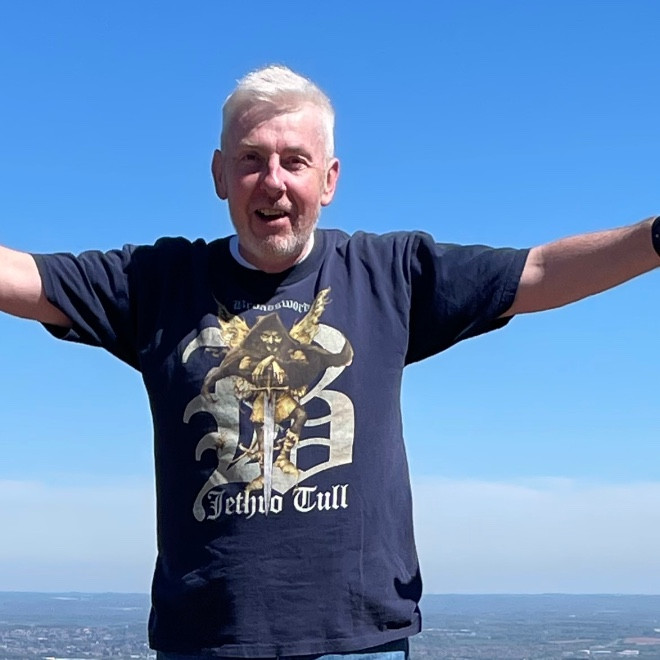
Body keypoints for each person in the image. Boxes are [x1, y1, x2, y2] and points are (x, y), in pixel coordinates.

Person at [0, 65, 658, 659]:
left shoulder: (389, 274)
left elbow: (537, 272)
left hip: (358, 640)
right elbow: (25, 279)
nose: (274, 181)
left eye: (295, 161)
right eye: (252, 159)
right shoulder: (159, 282)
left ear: (329, 179)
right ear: (220, 175)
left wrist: (656, 238)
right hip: (206, 638)